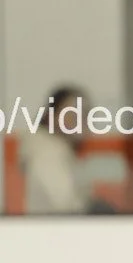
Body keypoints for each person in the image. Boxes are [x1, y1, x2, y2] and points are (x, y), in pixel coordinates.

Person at [19, 86, 96, 215]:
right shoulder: (46, 152)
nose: (81, 121)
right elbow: (65, 205)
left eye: (85, 114)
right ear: (52, 116)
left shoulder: (59, 150)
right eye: (72, 114)